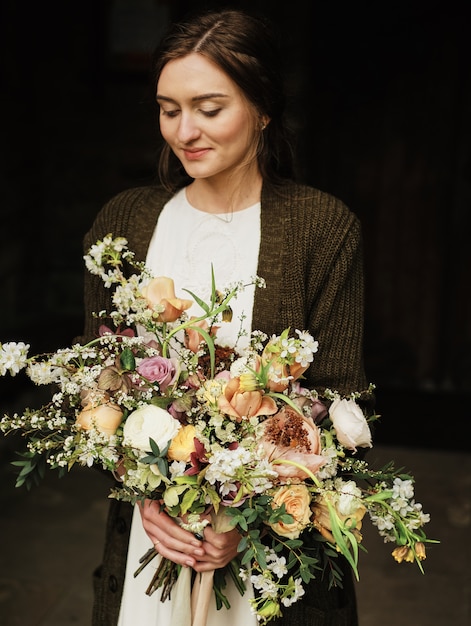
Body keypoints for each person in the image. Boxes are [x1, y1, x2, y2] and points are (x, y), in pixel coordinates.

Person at [78, 7, 369, 626]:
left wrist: (248, 514)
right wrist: (145, 498)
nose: (186, 130)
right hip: (153, 542)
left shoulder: (323, 228)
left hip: (270, 560)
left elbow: (344, 407)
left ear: (262, 109)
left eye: (209, 109)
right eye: (168, 108)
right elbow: (97, 386)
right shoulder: (122, 223)